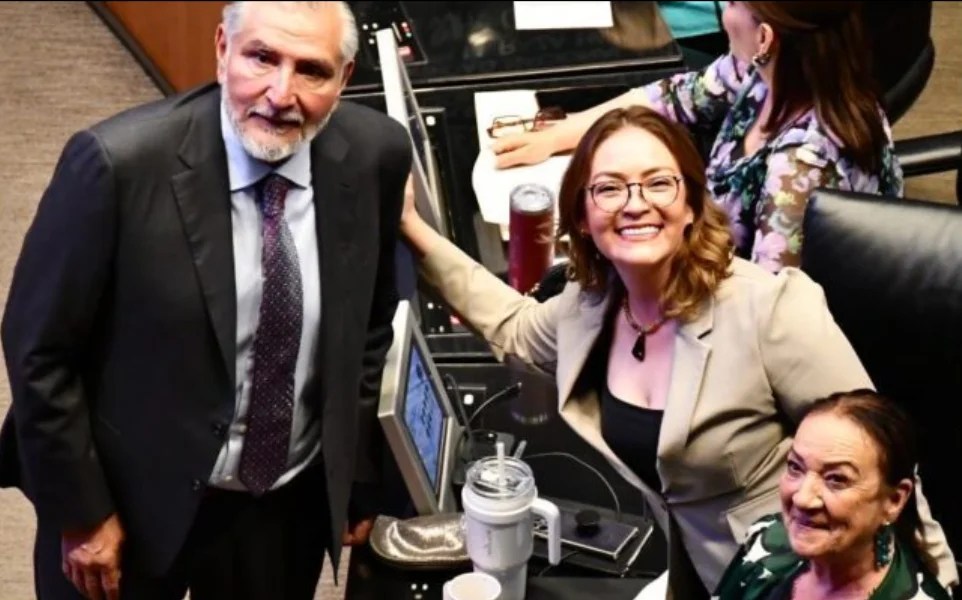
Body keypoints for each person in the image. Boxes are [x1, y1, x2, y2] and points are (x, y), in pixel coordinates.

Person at [399, 105, 956, 598]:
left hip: (781, 577)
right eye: (610, 188)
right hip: (679, 562)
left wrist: (941, 583)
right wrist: (412, 229)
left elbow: (880, 464)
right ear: (584, 220)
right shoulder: (591, 304)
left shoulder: (772, 310)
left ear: (691, 204)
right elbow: (518, 329)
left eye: (658, 184)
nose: (635, 204)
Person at [0, 1, 411, 599]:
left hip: (281, 502)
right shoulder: (116, 164)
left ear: (345, 78)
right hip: (132, 496)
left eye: (311, 71)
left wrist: (356, 475)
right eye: (262, 58)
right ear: (222, 49)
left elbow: (369, 329)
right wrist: (82, 512)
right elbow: (40, 352)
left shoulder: (377, 154)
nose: (280, 93)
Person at [491, 2, 902, 273]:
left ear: (765, 38)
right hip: (697, 262)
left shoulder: (799, 171)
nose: (725, 13)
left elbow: (764, 317)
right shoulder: (774, 71)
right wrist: (564, 132)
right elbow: (674, 98)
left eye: (736, 4)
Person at [715, 390, 953, 599]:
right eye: (795, 467)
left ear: (894, 500)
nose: (802, 498)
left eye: (837, 479)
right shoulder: (766, 541)